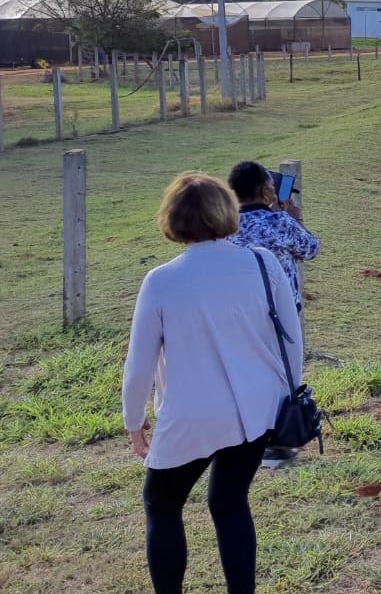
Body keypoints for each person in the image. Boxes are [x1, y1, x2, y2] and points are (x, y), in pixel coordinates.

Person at [123, 173, 302, 594]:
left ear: (173, 219)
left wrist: (134, 419)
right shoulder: (263, 263)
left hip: (191, 415)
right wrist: (290, 396)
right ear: (228, 212)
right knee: (230, 502)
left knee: (162, 505)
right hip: (255, 411)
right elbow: (291, 339)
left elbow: (140, 363)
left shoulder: (162, 280)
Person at [227, 160, 319, 469]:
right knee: (283, 376)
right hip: (281, 313)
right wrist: (294, 217)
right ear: (268, 191)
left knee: (246, 372)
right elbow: (310, 249)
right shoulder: (279, 222)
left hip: (237, 313)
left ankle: (246, 439)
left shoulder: (224, 225)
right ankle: (276, 444)